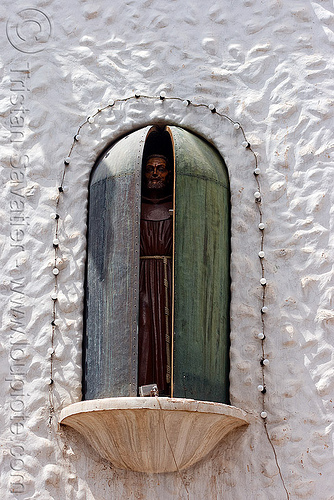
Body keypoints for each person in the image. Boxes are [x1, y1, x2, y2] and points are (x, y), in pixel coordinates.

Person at [138, 154, 173, 396]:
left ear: (169, 173)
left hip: (168, 275)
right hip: (141, 276)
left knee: (168, 327)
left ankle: (167, 385)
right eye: (150, 168)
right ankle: (144, 383)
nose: (154, 173)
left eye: (160, 169)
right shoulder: (136, 206)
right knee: (145, 326)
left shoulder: (175, 206)